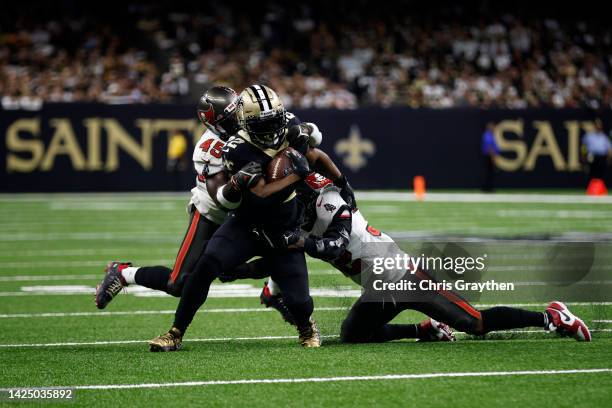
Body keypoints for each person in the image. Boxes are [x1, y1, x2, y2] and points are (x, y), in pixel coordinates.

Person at [228, 173, 591, 344]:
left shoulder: (331, 205)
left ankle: (551, 317)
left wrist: (299, 241)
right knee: (352, 335)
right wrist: (239, 270)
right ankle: (425, 329)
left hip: (403, 277)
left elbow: (333, 248)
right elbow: (282, 260)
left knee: (475, 323)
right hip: (378, 287)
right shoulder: (304, 217)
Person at [148, 85, 354, 351]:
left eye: (274, 121)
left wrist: (342, 182)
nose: (271, 129)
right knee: (206, 264)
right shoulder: (234, 148)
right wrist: (246, 182)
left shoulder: (290, 125)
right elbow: (249, 195)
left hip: (283, 225)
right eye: (262, 123)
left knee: (300, 302)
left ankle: (305, 324)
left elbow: (315, 152)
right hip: (247, 220)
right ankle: (175, 332)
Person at [94, 86, 309, 307]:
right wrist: (242, 182)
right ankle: (123, 273)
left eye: (238, 113)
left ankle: (273, 292)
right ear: (214, 124)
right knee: (178, 284)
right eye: (229, 118)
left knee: (288, 250)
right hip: (215, 213)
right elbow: (224, 200)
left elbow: (311, 137)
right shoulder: (210, 148)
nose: (237, 120)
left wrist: (304, 134)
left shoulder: (260, 122)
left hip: (254, 207)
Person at [582, 119, 612, 183]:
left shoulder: (604, 137)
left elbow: (609, 149)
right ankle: (591, 189)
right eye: (597, 125)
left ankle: (600, 189)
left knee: (601, 174)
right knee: (592, 173)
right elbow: (584, 148)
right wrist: (584, 157)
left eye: (600, 125)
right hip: (592, 157)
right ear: (594, 126)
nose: (598, 126)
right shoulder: (589, 136)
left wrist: (609, 159)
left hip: (602, 157)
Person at [481, 122, 499, 192]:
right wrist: (493, 158)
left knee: (489, 173)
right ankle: (487, 188)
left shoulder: (490, 135)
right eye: (492, 127)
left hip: (489, 156)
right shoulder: (487, 135)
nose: (494, 128)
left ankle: (488, 188)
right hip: (488, 157)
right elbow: (490, 148)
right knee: (488, 173)